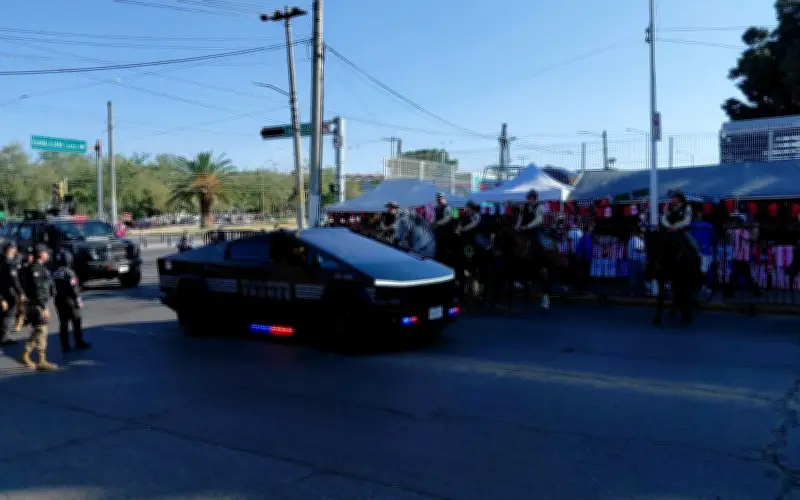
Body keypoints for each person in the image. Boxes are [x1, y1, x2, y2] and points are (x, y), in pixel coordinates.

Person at [18, 244, 57, 371]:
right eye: (46, 252)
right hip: (37, 305)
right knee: (41, 330)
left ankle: (34, 357)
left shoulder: (39, 268)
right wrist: (43, 306)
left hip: (38, 304)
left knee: (41, 331)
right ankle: (33, 357)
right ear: (41, 254)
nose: (47, 254)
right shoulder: (35, 269)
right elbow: (37, 290)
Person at [53, 250, 89, 353]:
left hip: (58, 300)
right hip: (70, 300)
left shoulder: (55, 272)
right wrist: (78, 300)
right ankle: (79, 342)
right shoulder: (70, 273)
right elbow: (74, 288)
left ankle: (65, 345)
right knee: (76, 321)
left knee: (63, 323)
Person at [0, 242, 24, 345]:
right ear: (10, 250)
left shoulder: (2, 260)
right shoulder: (10, 264)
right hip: (7, 294)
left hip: (2, 293)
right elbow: (15, 282)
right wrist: (21, 293)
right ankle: (3, 338)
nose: (15, 251)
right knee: (8, 315)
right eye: (14, 249)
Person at [14, 252, 34, 332]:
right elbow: (17, 278)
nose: (30, 257)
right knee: (21, 308)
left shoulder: (35, 265)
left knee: (31, 307)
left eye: (31, 255)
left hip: (32, 290)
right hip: (23, 289)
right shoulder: (21, 265)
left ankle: (27, 319)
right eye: (28, 255)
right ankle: (18, 323)